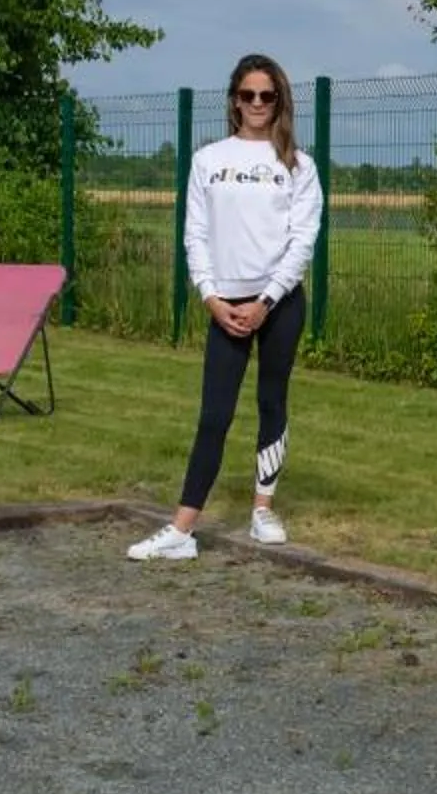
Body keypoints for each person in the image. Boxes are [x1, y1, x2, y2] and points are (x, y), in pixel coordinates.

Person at [128, 52, 323, 561]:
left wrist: (266, 300)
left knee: (271, 401)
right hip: (225, 306)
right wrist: (211, 297)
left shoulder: (299, 167)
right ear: (234, 101)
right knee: (214, 414)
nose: (257, 103)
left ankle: (262, 509)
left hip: (278, 303)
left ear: (279, 101)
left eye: (267, 95)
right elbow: (195, 234)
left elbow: (301, 242)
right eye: (247, 95)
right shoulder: (208, 160)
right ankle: (181, 529)